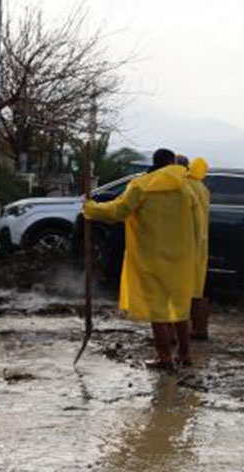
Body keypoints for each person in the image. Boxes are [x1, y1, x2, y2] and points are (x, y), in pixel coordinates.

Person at [83, 148, 196, 370]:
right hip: (181, 256)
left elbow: (118, 210)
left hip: (151, 255)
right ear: (173, 163)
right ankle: (185, 354)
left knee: (158, 309)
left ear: (154, 163)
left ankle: (164, 358)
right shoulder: (186, 187)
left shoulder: (141, 186)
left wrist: (91, 209)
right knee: (180, 307)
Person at [185, 157, 211, 340]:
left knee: (179, 287)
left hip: (184, 242)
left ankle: (176, 332)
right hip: (201, 243)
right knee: (197, 286)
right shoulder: (203, 188)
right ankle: (200, 329)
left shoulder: (184, 186)